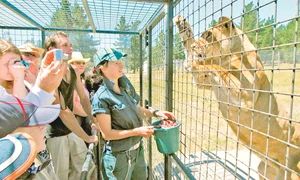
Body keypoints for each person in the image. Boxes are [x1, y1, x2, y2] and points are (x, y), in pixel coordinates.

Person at [91, 48, 174, 179]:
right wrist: (137, 131)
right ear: (103, 67)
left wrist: (157, 113)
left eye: (120, 61)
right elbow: (107, 134)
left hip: (137, 152)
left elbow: (139, 110)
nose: (121, 65)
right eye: (116, 62)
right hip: (119, 159)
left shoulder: (126, 86)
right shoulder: (101, 98)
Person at [44, 31, 98, 180]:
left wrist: (94, 120)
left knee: (85, 169)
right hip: (56, 133)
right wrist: (87, 138)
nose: (70, 48)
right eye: (65, 45)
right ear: (52, 50)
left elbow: (83, 99)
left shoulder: (71, 70)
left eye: (71, 45)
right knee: (60, 175)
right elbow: (64, 112)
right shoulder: (50, 73)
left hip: (71, 129)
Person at [68, 51, 92, 137]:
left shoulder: (83, 81)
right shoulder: (69, 81)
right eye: (78, 62)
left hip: (84, 121)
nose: (81, 65)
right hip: (75, 121)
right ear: (70, 64)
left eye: (83, 63)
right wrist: (90, 115)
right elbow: (73, 106)